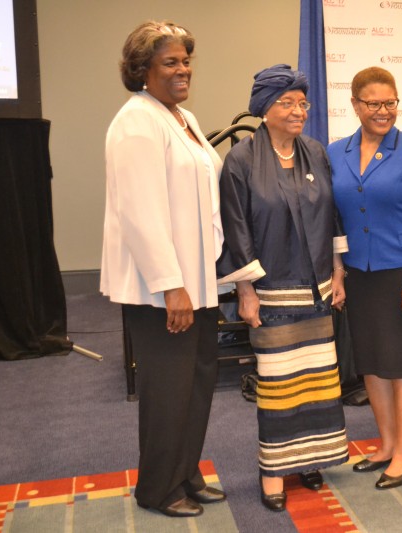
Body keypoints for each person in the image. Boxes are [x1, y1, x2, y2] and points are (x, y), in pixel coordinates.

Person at [101, 21, 226, 518]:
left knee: (196, 384)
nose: (183, 69)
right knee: (167, 391)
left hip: (197, 280)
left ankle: (185, 471)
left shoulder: (182, 117)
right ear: (142, 70)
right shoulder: (136, 121)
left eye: (186, 60)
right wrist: (171, 287)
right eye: (171, 62)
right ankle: (157, 487)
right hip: (163, 290)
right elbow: (141, 213)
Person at [216, 64, 349, 512]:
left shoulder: (315, 151)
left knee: (316, 382)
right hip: (271, 293)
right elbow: (236, 231)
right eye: (286, 103)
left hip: (318, 290)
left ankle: (309, 459)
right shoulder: (240, 160)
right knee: (278, 384)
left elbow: (331, 215)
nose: (298, 111)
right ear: (264, 109)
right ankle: (273, 470)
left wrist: (339, 271)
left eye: (302, 103)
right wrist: (247, 292)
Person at [327, 67, 402, 490]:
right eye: (373, 103)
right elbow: (335, 219)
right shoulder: (336, 152)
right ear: (355, 104)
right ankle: (387, 443)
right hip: (359, 274)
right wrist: (338, 272)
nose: (383, 111)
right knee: (372, 364)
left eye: (390, 103)